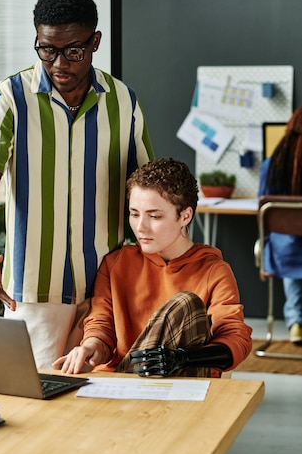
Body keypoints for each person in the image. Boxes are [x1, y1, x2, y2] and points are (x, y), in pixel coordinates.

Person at [0, 0, 154, 368]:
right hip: (35, 293)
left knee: (106, 397)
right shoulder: (10, 98)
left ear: (95, 41)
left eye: (73, 51)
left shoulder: (123, 101)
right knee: (35, 399)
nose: (59, 64)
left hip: (108, 284)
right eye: (47, 50)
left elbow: (146, 189)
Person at [53, 158, 252, 378]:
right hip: (122, 379)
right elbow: (101, 327)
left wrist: (181, 358)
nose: (140, 227)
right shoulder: (116, 263)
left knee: (185, 303)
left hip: (181, 385)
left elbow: (235, 338)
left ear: (185, 216)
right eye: (134, 214)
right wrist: (90, 347)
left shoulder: (214, 271)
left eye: (155, 216)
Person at [258, 107, 302, 344]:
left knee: (289, 244)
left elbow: (263, 212)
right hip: (292, 250)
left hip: (284, 251)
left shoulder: (272, 165)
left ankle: (295, 322)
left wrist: (265, 253)